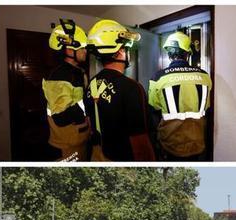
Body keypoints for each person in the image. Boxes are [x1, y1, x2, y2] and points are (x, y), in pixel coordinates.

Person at [86, 19, 155, 161]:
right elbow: (140, 140)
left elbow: (89, 122)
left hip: (96, 156)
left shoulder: (91, 85)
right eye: (126, 47)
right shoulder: (132, 88)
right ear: (120, 52)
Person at [147, 31, 212, 160]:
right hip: (198, 143)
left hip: (169, 144)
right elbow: (207, 109)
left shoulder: (158, 77)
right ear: (188, 53)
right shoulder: (205, 76)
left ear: (169, 54)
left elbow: (153, 111)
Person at [43, 19, 91, 161]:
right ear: (70, 50)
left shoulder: (78, 71)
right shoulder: (59, 76)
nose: (85, 51)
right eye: (82, 47)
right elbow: (61, 117)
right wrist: (89, 102)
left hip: (79, 139)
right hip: (66, 145)